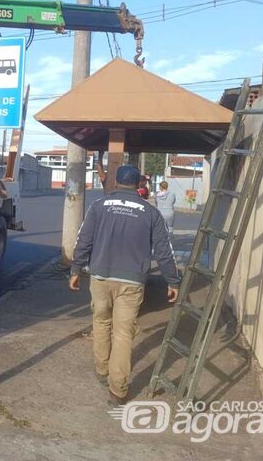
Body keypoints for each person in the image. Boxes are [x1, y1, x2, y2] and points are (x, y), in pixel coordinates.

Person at [69, 164, 180, 405]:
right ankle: (118, 391)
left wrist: (76, 269)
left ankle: (102, 370)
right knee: (123, 333)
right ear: (139, 184)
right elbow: (164, 250)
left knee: (101, 322)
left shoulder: (98, 207)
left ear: (115, 181)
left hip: (100, 277)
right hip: (132, 281)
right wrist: (172, 280)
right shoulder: (150, 213)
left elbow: (83, 240)